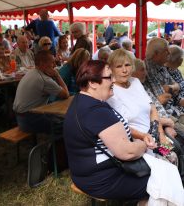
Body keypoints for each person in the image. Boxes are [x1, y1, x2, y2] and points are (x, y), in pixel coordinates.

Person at [64, 60, 184, 205]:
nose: (113, 80)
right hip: (102, 179)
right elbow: (128, 153)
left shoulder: (83, 100)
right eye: (109, 77)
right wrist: (145, 144)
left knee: (167, 167)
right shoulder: (95, 111)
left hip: (89, 174)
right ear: (92, 83)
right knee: (165, 180)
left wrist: (145, 136)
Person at [13, 50, 69, 134]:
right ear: (42, 64)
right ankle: (56, 146)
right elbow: (66, 94)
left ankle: (57, 144)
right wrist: (57, 75)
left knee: (61, 117)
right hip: (29, 120)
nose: (54, 65)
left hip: (20, 118)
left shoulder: (30, 72)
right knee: (69, 123)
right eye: (52, 62)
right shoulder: (44, 79)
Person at [144, 37, 184, 124]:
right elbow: (162, 99)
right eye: (166, 50)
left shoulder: (161, 66)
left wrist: (170, 88)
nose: (169, 53)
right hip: (166, 115)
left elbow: (177, 86)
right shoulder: (147, 70)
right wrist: (173, 89)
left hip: (174, 110)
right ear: (156, 54)